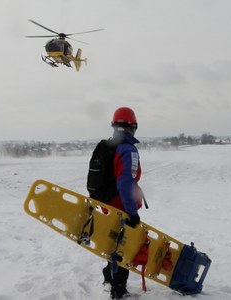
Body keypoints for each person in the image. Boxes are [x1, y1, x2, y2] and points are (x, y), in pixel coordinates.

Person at [97, 106, 143, 299]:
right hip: (121, 205)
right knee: (125, 245)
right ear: (133, 126)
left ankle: (109, 278)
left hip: (106, 204)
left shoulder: (108, 146)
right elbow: (125, 183)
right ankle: (118, 291)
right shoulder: (128, 150)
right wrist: (132, 212)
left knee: (113, 240)